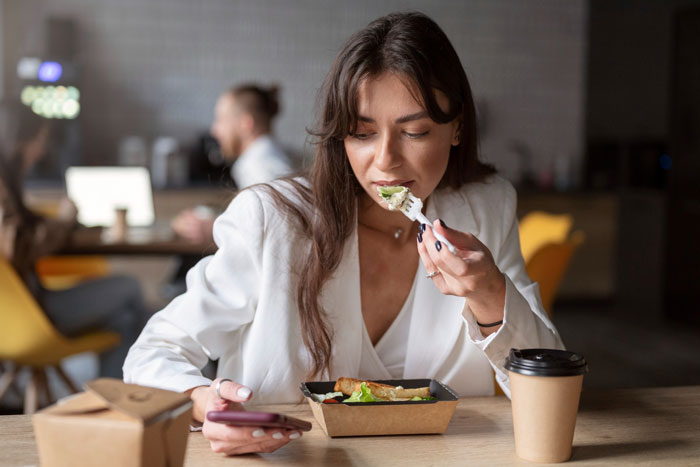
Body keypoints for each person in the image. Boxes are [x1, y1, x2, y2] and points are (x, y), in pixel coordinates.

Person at [124, 12, 564, 455]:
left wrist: (489, 292)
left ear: (458, 128)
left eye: (414, 131)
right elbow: (152, 353)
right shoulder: (273, 222)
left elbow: (550, 381)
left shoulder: (486, 206)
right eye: (362, 133)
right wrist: (207, 404)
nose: (385, 160)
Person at [0, 100, 147, 379]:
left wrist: (62, 222)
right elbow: (15, 247)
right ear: (20, 140)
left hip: (22, 307)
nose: (42, 150)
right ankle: (127, 400)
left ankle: (114, 401)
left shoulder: (10, 184)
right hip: (31, 313)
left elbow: (22, 230)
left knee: (125, 321)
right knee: (130, 288)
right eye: (40, 140)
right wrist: (65, 220)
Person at [171, 83, 292, 244]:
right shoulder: (264, 157)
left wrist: (214, 228)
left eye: (221, 120)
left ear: (245, 123)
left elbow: (274, 229)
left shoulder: (259, 165)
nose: (214, 130)